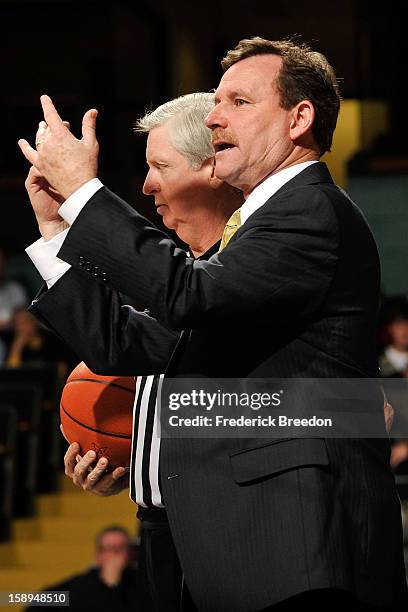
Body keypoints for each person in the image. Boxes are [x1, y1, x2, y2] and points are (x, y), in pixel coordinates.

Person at [18, 37, 407, 611]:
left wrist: (84, 193)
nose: (217, 114)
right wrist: (56, 233)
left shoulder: (308, 211)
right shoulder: (254, 240)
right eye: (217, 101)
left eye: (239, 102)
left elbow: (187, 296)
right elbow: (127, 343)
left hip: (287, 545)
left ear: (300, 118)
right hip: (220, 539)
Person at [24, 92, 243, 611]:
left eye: (159, 166)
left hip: (231, 530)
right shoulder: (186, 278)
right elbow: (131, 349)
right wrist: (132, 461)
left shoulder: (237, 272)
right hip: (165, 530)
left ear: (212, 167)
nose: (145, 186)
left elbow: (116, 343)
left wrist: (79, 200)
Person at [25, 525, 151, 611]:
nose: (115, 555)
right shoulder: (80, 585)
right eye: (109, 549)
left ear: (130, 554)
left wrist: (113, 586)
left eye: (120, 549)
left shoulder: (141, 583)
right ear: (99, 555)